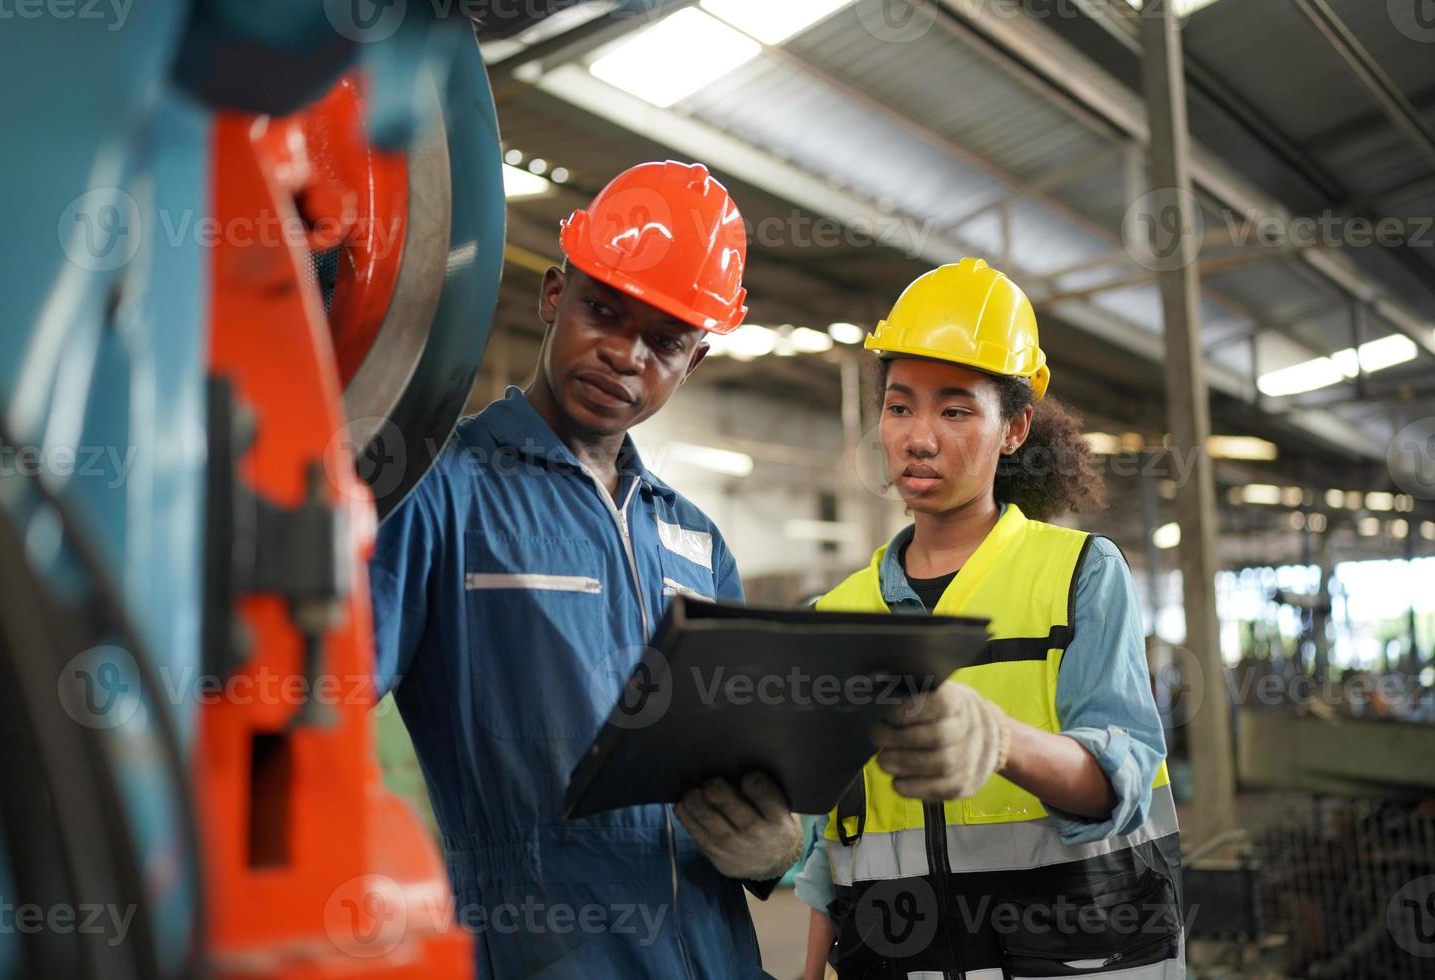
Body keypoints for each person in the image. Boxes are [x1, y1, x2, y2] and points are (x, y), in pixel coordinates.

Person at [370, 161, 801, 978]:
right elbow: (312, 699)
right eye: (603, 311)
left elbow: (753, 766)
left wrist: (779, 852)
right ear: (553, 293)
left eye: (665, 342)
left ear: (695, 361)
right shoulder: (441, 492)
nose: (625, 355)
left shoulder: (700, 543)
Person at [797, 259, 1183, 980]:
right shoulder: (835, 615)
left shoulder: (1078, 576)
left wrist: (1001, 741)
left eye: (955, 410)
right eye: (900, 405)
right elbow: (834, 839)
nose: (918, 437)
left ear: (1014, 429)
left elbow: (1123, 773)